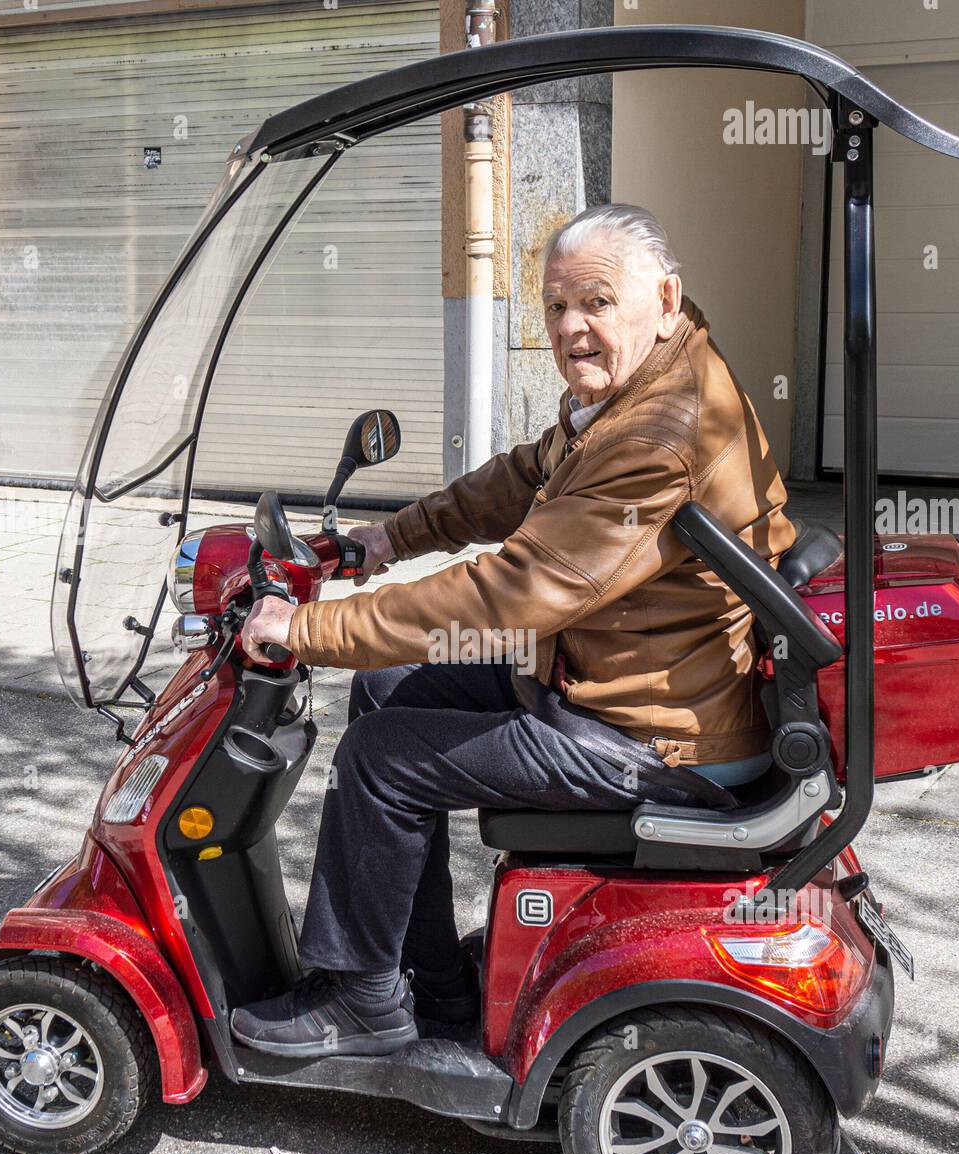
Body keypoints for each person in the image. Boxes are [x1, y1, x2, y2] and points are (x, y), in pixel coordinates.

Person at [231, 203, 796, 1058]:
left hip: (653, 735)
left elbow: (514, 591)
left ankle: (361, 1001)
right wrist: (388, 538)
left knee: (380, 760)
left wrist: (310, 627)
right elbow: (523, 476)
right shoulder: (647, 380)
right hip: (615, 680)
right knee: (385, 690)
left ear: (664, 297)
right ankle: (436, 983)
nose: (572, 327)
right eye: (557, 305)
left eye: (597, 302)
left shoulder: (660, 433)